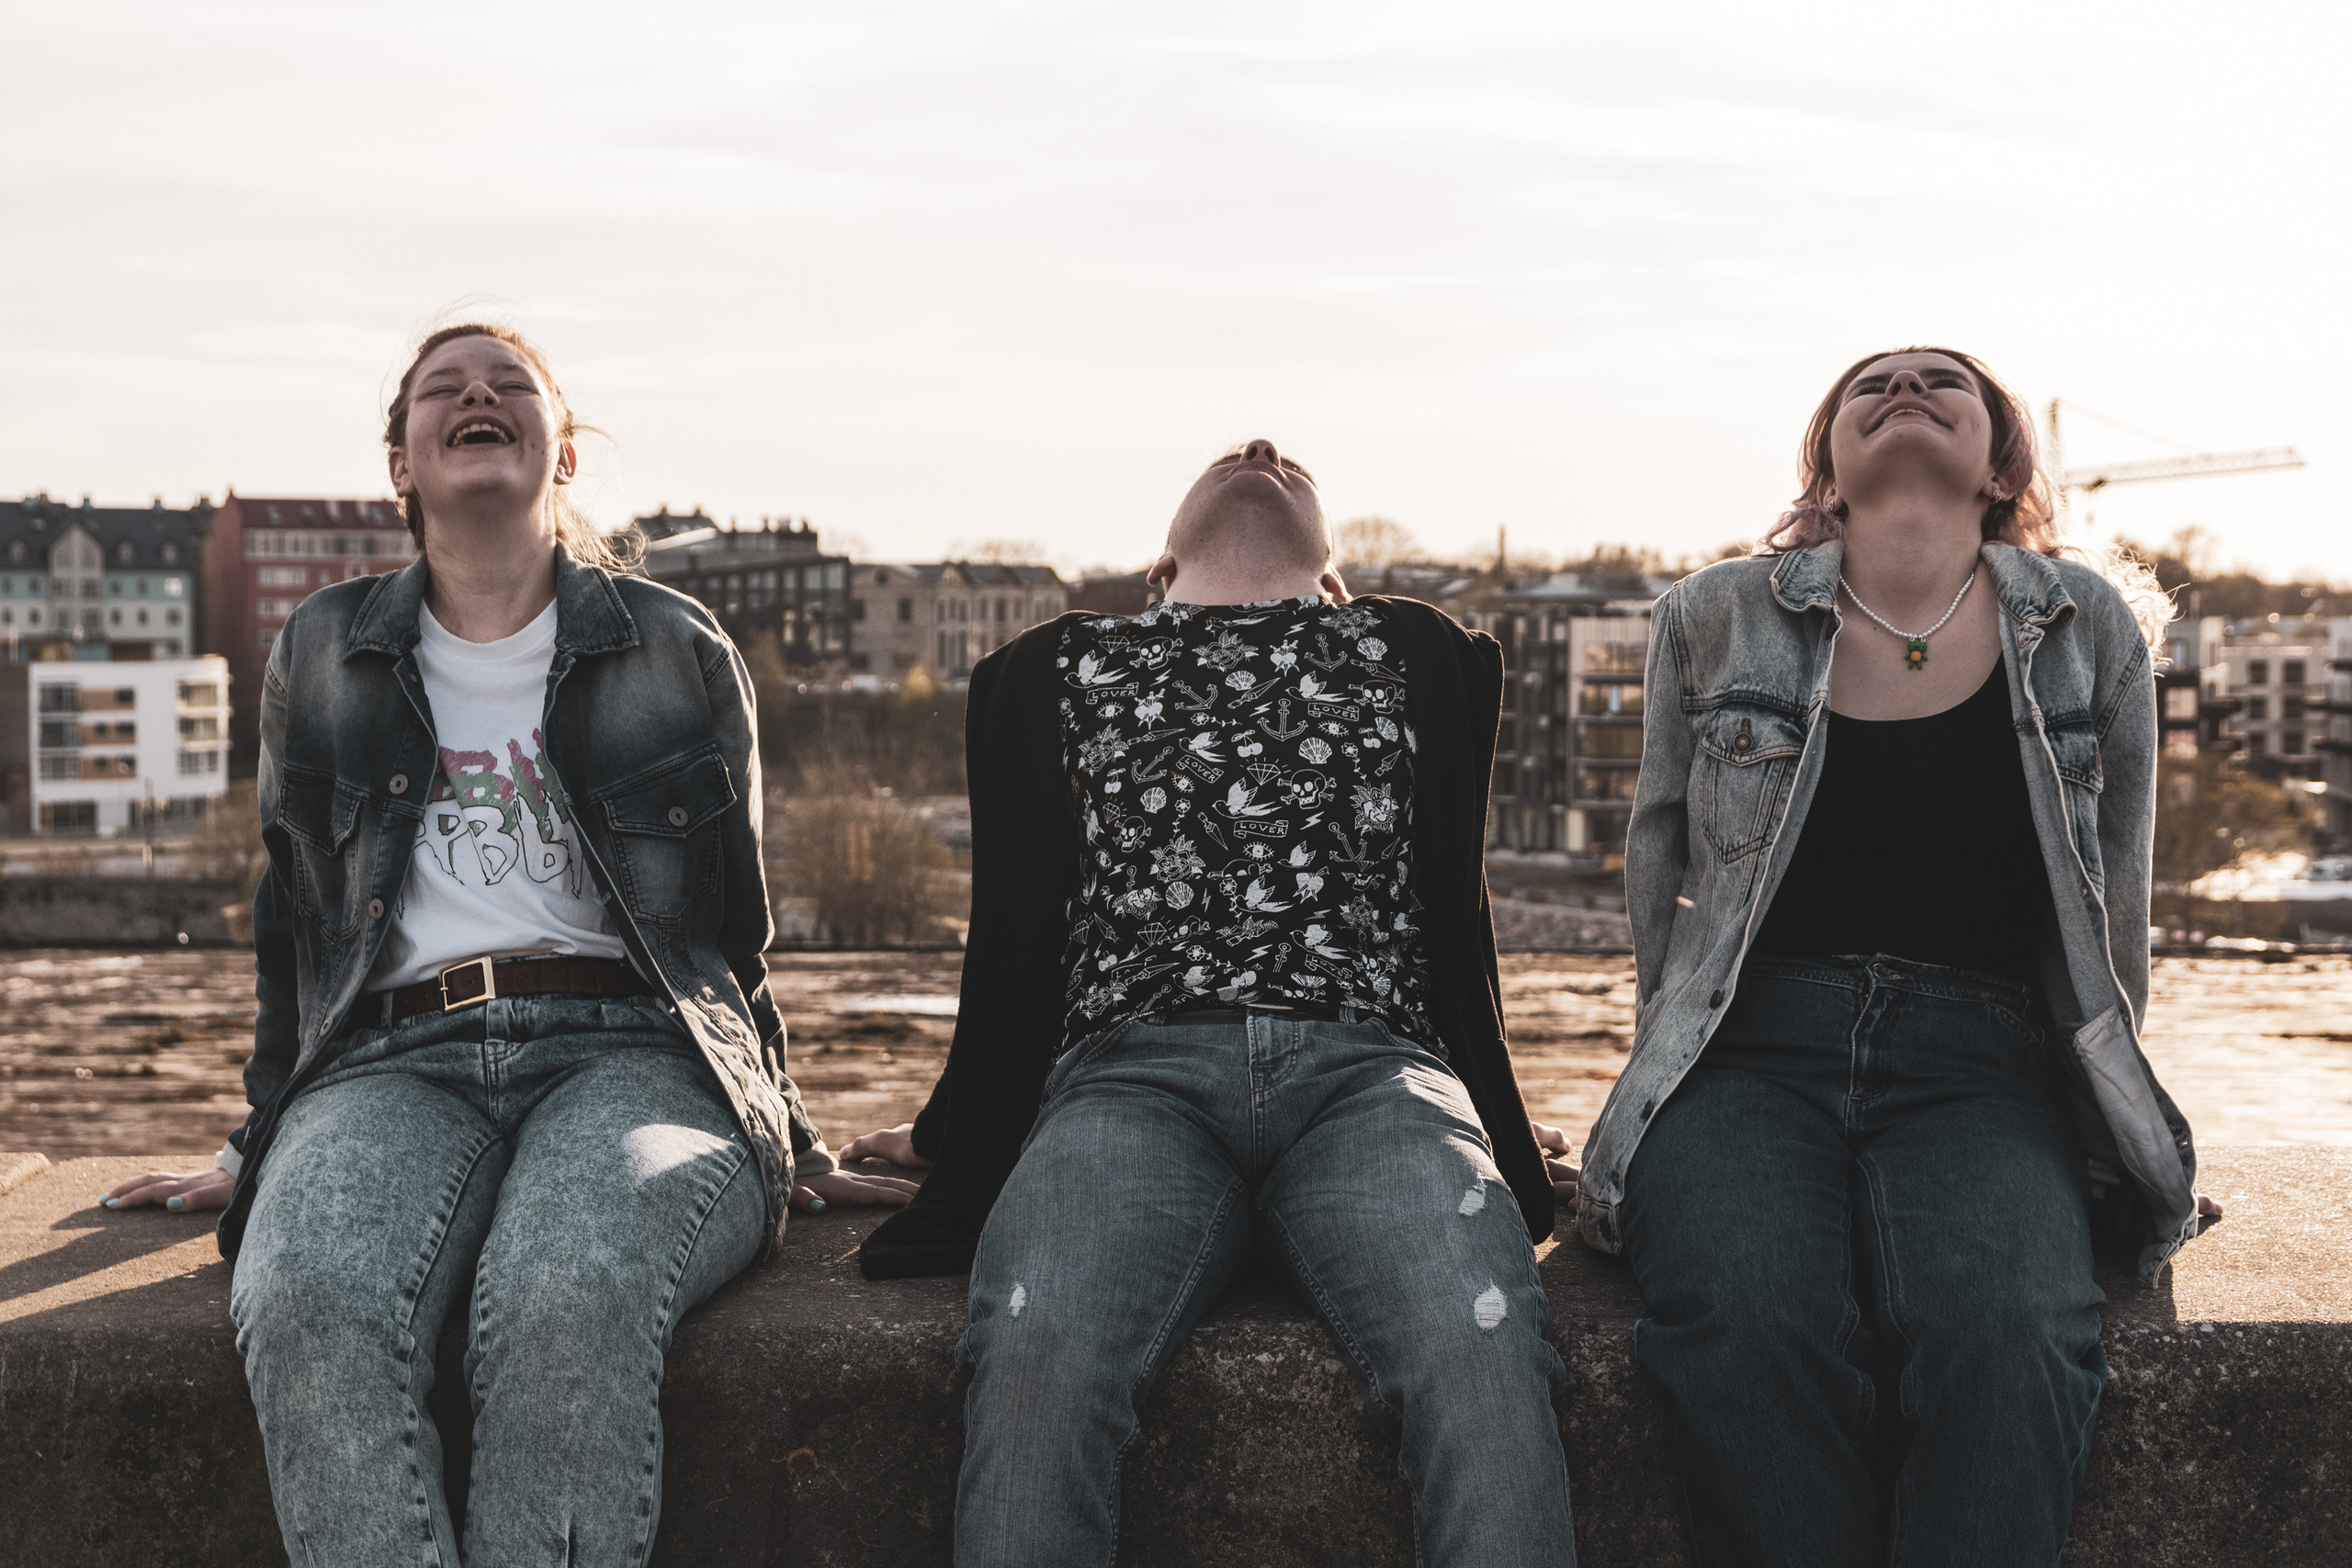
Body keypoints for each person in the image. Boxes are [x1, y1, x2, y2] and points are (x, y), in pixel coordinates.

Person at [98, 322, 914, 1566]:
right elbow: (296, 919)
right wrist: (257, 1131)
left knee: (566, 1290)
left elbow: (727, 929)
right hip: (388, 1060)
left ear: (565, 450)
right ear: (403, 464)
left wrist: (783, 1124)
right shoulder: (321, 648)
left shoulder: (675, 644)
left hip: (633, 1054)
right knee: (305, 1295)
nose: (477, 394)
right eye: (444, 388)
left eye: (509, 384)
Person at [844, 439, 1579, 1567]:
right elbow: (1009, 946)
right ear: (1158, 568)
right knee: (1036, 1346)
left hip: (1374, 1080)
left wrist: (1503, 1128)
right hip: (1129, 1084)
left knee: (1481, 1341)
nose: (1262, 450)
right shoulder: (1057, 669)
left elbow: (1457, 932)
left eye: (1292, 463)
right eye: (1231, 456)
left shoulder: (1407, 651)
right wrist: (951, 1137)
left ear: (1339, 583)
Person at [1577, 346, 2217, 1567]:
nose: (1906, 387)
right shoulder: (1713, 614)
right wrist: (1655, 1073)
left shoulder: (2094, 631)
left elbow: (2111, 913)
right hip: (1745, 1049)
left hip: (1986, 1059)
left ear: (2000, 465)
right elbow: (1657, 879)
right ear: (1826, 464)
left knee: (2018, 1325)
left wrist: (2097, 1128)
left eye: (1945, 380)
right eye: (1870, 384)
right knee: (1746, 1317)